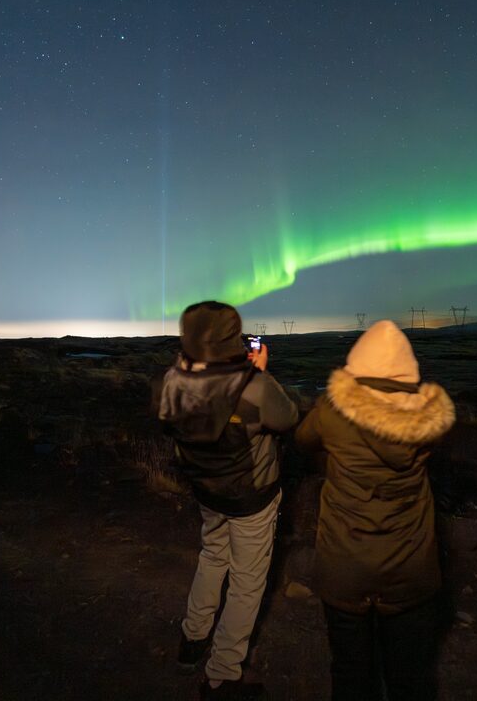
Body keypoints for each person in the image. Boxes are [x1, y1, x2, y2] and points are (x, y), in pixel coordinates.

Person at [295, 320, 455, 700]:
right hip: (409, 568)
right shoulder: (427, 421)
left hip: (344, 564)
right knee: (410, 676)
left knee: (351, 672)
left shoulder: (331, 411)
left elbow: (303, 440)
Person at [156, 300, 299, 700]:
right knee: (247, 582)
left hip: (206, 489)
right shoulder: (253, 385)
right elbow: (287, 418)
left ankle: (192, 638)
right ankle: (221, 676)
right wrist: (259, 374)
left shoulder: (173, 380)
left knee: (212, 555)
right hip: (251, 497)